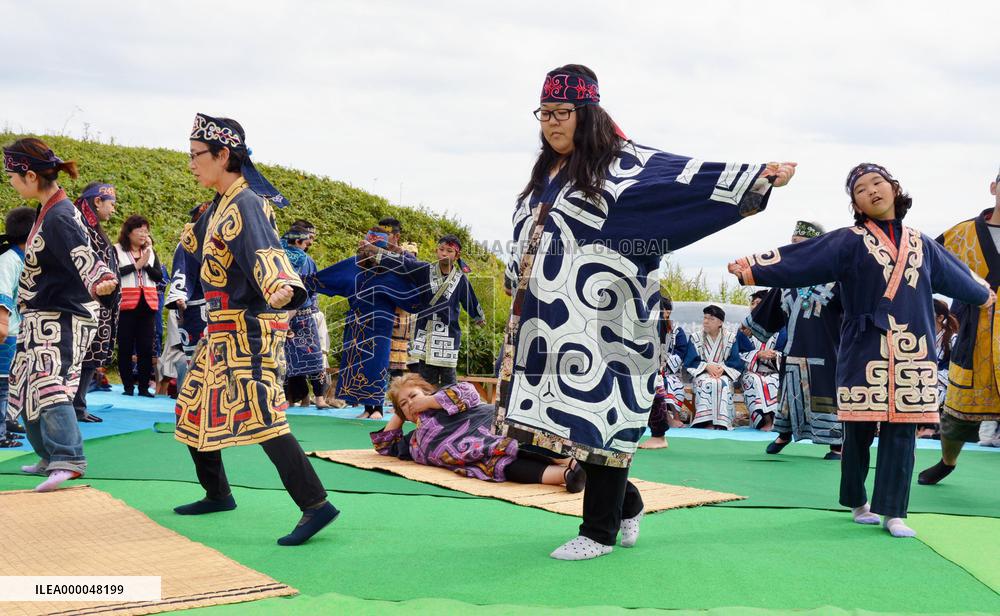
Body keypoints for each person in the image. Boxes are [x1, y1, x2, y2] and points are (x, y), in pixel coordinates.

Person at [496, 64, 796, 560]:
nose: (551, 123)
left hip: (611, 318)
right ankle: (627, 504)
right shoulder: (543, 177)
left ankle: (598, 532)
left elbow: (683, 181)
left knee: (602, 421)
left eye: (562, 113)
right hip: (549, 321)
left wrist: (755, 177)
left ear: (587, 114)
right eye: (544, 113)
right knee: (567, 426)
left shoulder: (622, 167)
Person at [729, 163, 995, 538]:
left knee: (902, 433)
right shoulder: (848, 241)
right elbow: (803, 259)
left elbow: (957, 275)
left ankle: (894, 512)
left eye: (878, 183)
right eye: (861, 189)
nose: (872, 191)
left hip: (912, 351)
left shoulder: (923, 244)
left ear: (893, 188)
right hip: (863, 347)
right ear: (856, 203)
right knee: (856, 430)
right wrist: (753, 268)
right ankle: (857, 501)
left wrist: (984, 295)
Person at [174, 113, 338, 546]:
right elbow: (189, 250)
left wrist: (281, 285)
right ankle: (217, 492)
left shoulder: (246, 202)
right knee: (192, 406)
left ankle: (316, 504)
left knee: (265, 417)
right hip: (220, 328)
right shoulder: (219, 203)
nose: (190, 163)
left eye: (196, 156)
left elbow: (265, 249)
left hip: (248, 327)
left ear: (223, 155)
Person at [4, 138, 118, 491]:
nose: (8, 180)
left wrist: (100, 279)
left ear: (29, 175)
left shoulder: (60, 214)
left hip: (64, 315)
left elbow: (82, 252)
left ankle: (69, 457)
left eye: (11, 173)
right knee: (24, 382)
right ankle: (49, 456)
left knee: (48, 383)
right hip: (42, 313)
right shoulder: (48, 209)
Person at [918, 172, 1000, 484]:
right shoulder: (962, 233)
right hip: (972, 333)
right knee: (956, 414)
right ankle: (947, 461)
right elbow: (924, 265)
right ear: (993, 188)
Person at [374, 374, 586, 491]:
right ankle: (568, 477)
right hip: (477, 460)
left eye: (413, 395)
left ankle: (571, 462)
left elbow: (469, 393)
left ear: (428, 392)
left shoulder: (447, 401)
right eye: (405, 403)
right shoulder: (414, 440)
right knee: (505, 467)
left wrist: (427, 401)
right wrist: (401, 413)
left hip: (489, 429)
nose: (411, 403)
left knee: (513, 443)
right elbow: (384, 446)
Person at [745, 221, 845, 459]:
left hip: (827, 349)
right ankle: (783, 433)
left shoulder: (837, 278)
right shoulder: (788, 280)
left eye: (799, 244)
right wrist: (751, 324)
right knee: (790, 393)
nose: (794, 248)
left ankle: (836, 444)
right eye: (792, 244)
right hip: (794, 348)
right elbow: (770, 307)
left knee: (826, 393)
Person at [311, 229, 425, 419]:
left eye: (372, 250)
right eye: (365, 250)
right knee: (357, 365)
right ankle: (366, 408)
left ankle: (377, 408)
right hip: (356, 324)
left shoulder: (392, 272)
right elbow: (329, 276)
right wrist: (304, 281)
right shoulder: (355, 266)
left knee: (377, 364)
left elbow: (412, 293)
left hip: (380, 325)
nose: (368, 254)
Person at [402, 234, 486, 388]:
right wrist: (378, 251)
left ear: (457, 255)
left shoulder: (460, 279)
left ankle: (451, 412)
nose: (444, 253)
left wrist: (478, 316)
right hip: (425, 331)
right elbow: (404, 264)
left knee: (450, 383)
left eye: (449, 251)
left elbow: (470, 300)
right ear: (436, 251)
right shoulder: (424, 270)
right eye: (441, 249)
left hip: (449, 335)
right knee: (426, 382)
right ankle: (426, 411)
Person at [71, 182, 120, 422]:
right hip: (85, 304)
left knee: (90, 358)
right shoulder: (78, 226)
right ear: (97, 201)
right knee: (80, 357)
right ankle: (74, 406)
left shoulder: (92, 226)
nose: (114, 209)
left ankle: (79, 405)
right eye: (111, 203)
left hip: (100, 306)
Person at [163, 202, 211, 393]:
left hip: (222, 306)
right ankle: (195, 399)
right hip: (196, 306)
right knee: (199, 357)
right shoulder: (188, 242)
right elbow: (181, 270)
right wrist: (180, 294)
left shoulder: (222, 240)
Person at [115, 214, 163, 397]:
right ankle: (128, 386)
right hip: (126, 304)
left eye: (146, 231)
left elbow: (159, 276)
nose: (144, 234)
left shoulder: (150, 251)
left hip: (148, 304)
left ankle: (144, 387)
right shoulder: (117, 250)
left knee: (145, 347)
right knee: (125, 345)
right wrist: (136, 265)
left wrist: (146, 264)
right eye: (140, 230)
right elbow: (113, 273)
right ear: (129, 232)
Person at [281, 225, 327, 408]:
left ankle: (296, 398)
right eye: (306, 241)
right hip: (301, 312)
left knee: (294, 360)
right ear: (298, 241)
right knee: (308, 358)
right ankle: (318, 398)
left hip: (285, 312)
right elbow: (313, 287)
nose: (309, 244)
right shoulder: (303, 260)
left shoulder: (277, 257)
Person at [0, 207, 35, 448]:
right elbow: (3, 295)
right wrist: (2, 325)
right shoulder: (8, 260)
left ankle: (5, 424)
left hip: (16, 332)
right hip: (6, 333)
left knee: (10, 383)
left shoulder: (23, 259)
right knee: (1, 385)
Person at [639, 293, 688, 449]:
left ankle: (659, 435)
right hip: (649, 364)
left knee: (656, 393)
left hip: (656, 366)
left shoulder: (664, 324)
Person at [684, 305, 745, 430]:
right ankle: (705, 421)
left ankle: (722, 422)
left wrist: (722, 369)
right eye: (705, 318)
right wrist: (706, 366)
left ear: (720, 322)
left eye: (711, 319)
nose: (706, 321)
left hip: (723, 373)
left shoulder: (730, 338)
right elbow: (690, 360)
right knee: (707, 382)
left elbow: (735, 361)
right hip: (702, 373)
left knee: (722, 383)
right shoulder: (695, 337)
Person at [738, 289, 785, 431]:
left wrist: (775, 355)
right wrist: (758, 355)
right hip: (751, 371)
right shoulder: (744, 329)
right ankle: (763, 420)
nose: (754, 306)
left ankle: (775, 420)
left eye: (759, 303)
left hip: (773, 371)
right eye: (752, 303)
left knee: (773, 381)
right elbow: (738, 353)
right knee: (755, 381)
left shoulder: (781, 329)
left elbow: (786, 352)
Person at [379, 217, 418, 378]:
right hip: (377, 313)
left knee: (396, 363)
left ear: (396, 236)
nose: (379, 238)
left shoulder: (409, 259)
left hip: (398, 315)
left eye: (384, 234)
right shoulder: (370, 254)